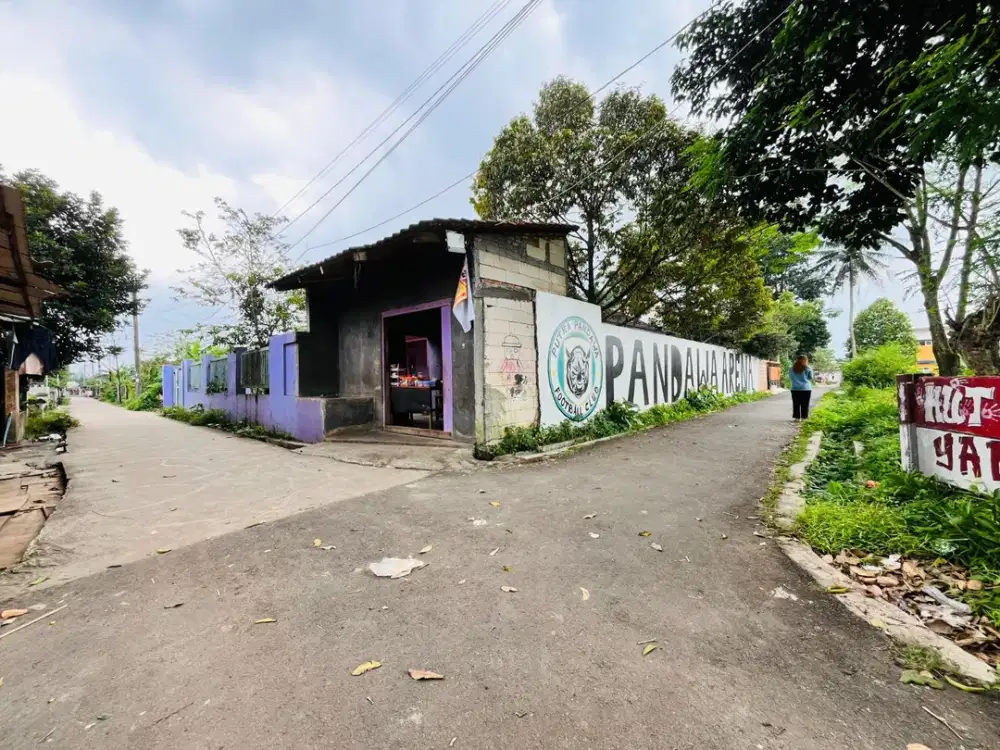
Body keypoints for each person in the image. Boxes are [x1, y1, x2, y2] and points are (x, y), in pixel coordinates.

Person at [790, 355, 813, 420]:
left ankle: (797, 418)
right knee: (805, 404)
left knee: (796, 404)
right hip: (806, 389)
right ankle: (804, 418)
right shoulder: (808, 368)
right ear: (805, 360)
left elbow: (791, 378)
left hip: (795, 389)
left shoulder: (791, 368)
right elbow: (810, 377)